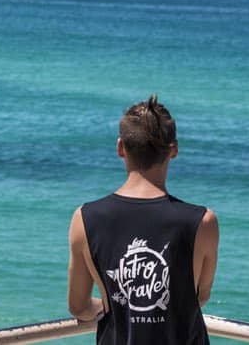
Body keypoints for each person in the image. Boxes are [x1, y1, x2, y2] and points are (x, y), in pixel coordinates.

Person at [68, 95, 219, 344]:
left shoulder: (84, 218)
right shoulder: (203, 222)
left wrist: (118, 307)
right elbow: (199, 296)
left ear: (120, 148)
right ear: (174, 150)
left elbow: (78, 306)